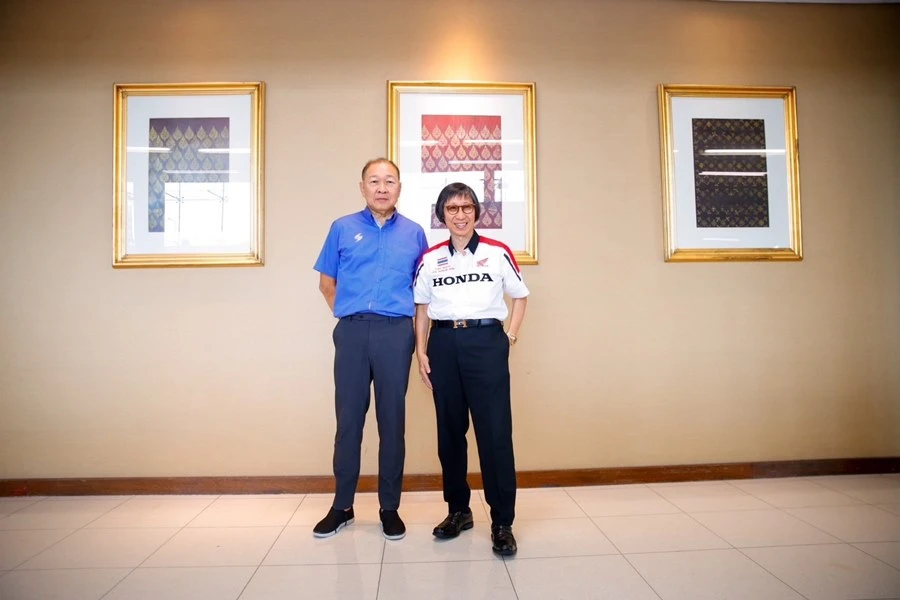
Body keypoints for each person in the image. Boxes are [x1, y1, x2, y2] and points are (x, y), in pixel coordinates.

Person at [312, 158, 427, 540]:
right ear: (362, 187)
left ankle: (389, 508)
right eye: (374, 181)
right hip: (353, 332)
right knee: (348, 422)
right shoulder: (342, 228)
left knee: (392, 422)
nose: (382, 188)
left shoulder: (414, 233)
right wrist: (350, 317)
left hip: (396, 333)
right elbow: (327, 284)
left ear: (399, 188)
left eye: (389, 181)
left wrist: (418, 343)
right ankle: (342, 507)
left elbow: (423, 294)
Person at [413, 182, 529, 556]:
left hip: (486, 343)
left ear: (476, 212)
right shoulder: (431, 259)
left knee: (494, 433)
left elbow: (521, 296)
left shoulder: (497, 253)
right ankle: (458, 511)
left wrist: (509, 337)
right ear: (442, 215)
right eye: (452, 209)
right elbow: (421, 308)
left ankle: (502, 522)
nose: (460, 215)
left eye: (466, 207)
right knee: (450, 433)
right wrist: (421, 351)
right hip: (444, 344)